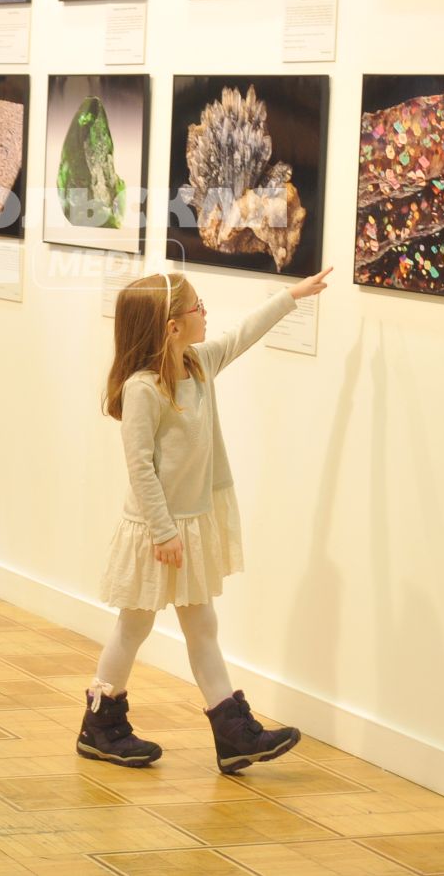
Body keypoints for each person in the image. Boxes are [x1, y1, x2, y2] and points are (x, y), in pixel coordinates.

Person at [77, 268, 331, 775]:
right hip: (157, 532)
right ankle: (100, 726)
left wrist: (290, 297)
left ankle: (233, 733)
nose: (205, 313)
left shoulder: (198, 364)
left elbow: (241, 334)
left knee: (202, 626)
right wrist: (163, 531)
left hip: (187, 527)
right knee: (134, 626)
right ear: (172, 327)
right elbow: (140, 468)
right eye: (197, 307)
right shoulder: (143, 389)